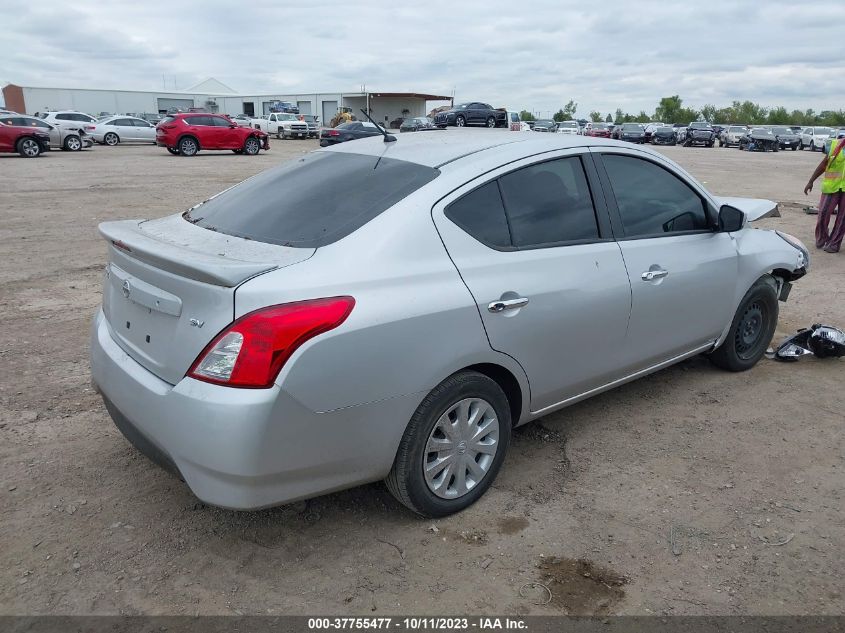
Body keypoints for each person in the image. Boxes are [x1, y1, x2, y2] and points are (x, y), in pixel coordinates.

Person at [804, 132, 845, 253]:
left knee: (842, 219)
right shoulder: (835, 145)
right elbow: (823, 164)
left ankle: (834, 243)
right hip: (832, 187)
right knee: (823, 213)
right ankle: (822, 238)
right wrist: (811, 181)